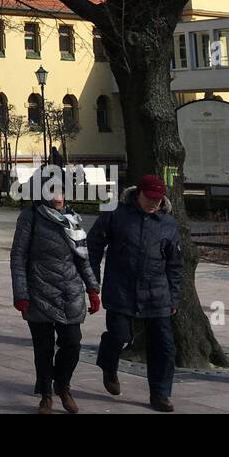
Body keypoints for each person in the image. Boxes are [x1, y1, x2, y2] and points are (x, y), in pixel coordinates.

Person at [87, 174, 183, 413]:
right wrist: (93, 280)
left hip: (157, 293)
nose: (154, 203)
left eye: (158, 199)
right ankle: (108, 364)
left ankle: (160, 393)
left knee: (164, 346)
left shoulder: (167, 223)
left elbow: (175, 264)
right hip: (121, 289)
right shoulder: (116, 214)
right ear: (137, 193)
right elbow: (94, 244)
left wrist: (173, 295)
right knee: (119, 336)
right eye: (149, 198)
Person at [9, 175, 101, 414]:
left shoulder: (73, 220)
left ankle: (62, 385)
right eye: (52, 190)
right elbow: (18, 256)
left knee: (72, 343)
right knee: (44, 348)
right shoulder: (31, 216)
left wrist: (92, 289)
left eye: (61, 190)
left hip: (69, 292)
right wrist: (21, 293)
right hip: (38, 291)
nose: (57, 194)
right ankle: (46, 396)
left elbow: (83, 259)